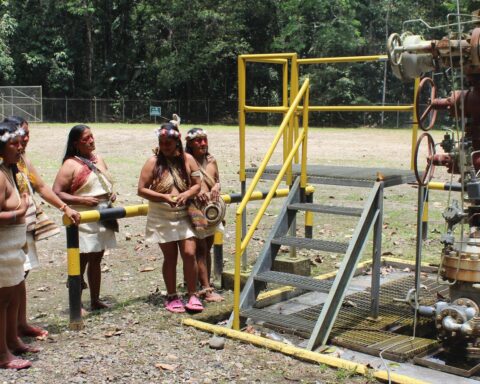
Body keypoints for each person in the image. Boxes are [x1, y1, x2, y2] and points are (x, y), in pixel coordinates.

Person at [3, 116, 80, 337]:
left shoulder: (21, 160)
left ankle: (19, 323)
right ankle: (9, 332)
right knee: (10, 281)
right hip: (8, 229)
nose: (25, 139)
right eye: (20, 135)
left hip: (22, 227)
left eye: (27, 134)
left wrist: (64, 207)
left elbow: (41, 187)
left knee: (20, 276)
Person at [138, 120, 204, 313]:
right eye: (161, 142)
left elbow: (197, 184)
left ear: (177, 142)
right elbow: (141, 190)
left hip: (184, 213)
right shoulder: (153, 162)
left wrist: (186, 194)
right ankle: (172, 295)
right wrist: (164, 196)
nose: (164, 146)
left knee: (190, 253)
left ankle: (193, 294)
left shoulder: (188, 159)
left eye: (168, 142)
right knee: (170, 257)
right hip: (162, 214)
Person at [53, 125, 116, 313]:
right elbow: (57, 192)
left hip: (104, 214)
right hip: (83, 217)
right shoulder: (70, 164)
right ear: (75, 143)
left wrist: (110, 195)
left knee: (97, 257)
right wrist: (81, 200)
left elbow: (103, 184)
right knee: (80, 259)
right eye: (85, 139)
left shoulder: (99, 160)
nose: (91, 140)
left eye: (91, 136)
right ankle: (77, 303)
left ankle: (95, 300)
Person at [0, 121, 36, 370]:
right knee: (1, 301)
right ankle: (2, 354)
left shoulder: (9, 170)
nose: (20, 147)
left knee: (11, 297)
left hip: (12, 248)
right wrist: (20, 211)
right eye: (14, 143)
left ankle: (12, 339)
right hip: (2, 249)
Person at [185, 128, 224, 302]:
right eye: (198, 140)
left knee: (207, 248)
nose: (202, 143)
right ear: (189, 143)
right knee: (200, 249)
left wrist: (216, 187)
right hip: (195, 209)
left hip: (212, 210)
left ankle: (202, 282)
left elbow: (217, 181)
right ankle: (207, 290)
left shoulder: (211, 160)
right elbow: (182, 185)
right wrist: (195, 191)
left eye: (204, 140)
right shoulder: (186, 160)